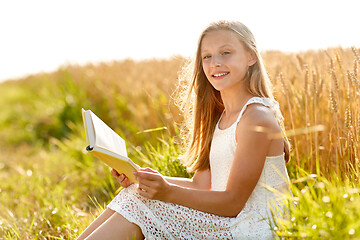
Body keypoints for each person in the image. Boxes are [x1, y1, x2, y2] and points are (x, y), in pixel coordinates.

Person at [76, 20, 291, 240]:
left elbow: (232, 203)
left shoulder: (256, 118)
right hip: (231, 221)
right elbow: (202, 185)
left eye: (226, 52)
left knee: (141, 205)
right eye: (206, 56)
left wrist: (166, 192)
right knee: (133, 193)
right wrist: (144, 179)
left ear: (251, 57)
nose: (215, 62)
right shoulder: (222, 116)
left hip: (254, 229)